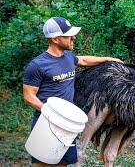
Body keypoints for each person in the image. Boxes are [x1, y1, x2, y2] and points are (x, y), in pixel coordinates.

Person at [23, 17, 122, 167]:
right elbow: (29, 96)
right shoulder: (37, 65)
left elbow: (83, 61)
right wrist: (51, 113)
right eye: (69, 35)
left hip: (67, 125)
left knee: (62, 164)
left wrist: (108, 59)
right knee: (42, 164)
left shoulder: (68, 57)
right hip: (47, 123)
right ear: (56, 39)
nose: (73, 37)